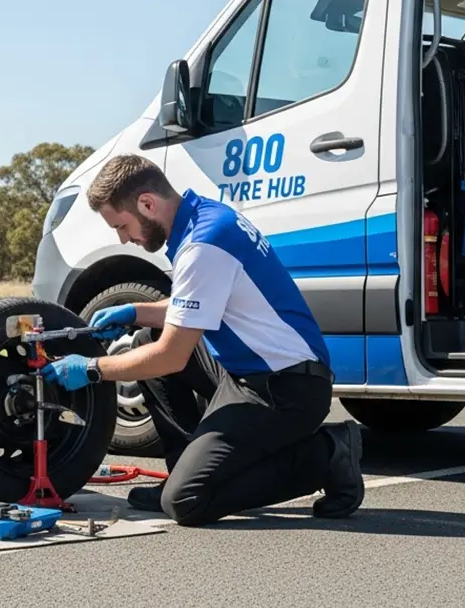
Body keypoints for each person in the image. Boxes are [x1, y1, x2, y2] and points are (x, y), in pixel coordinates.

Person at [38, 153, 364, 526]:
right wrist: (133, 311)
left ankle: (328, 453)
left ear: (147, 203)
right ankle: (186, 465)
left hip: (286, 390)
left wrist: (92, 369)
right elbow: (194, 306)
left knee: (187, 501)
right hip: (248, 370)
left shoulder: (203, 244)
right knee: (148, 336)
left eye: (122, 225)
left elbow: (171, 357)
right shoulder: (204, 218)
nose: (123, 238)